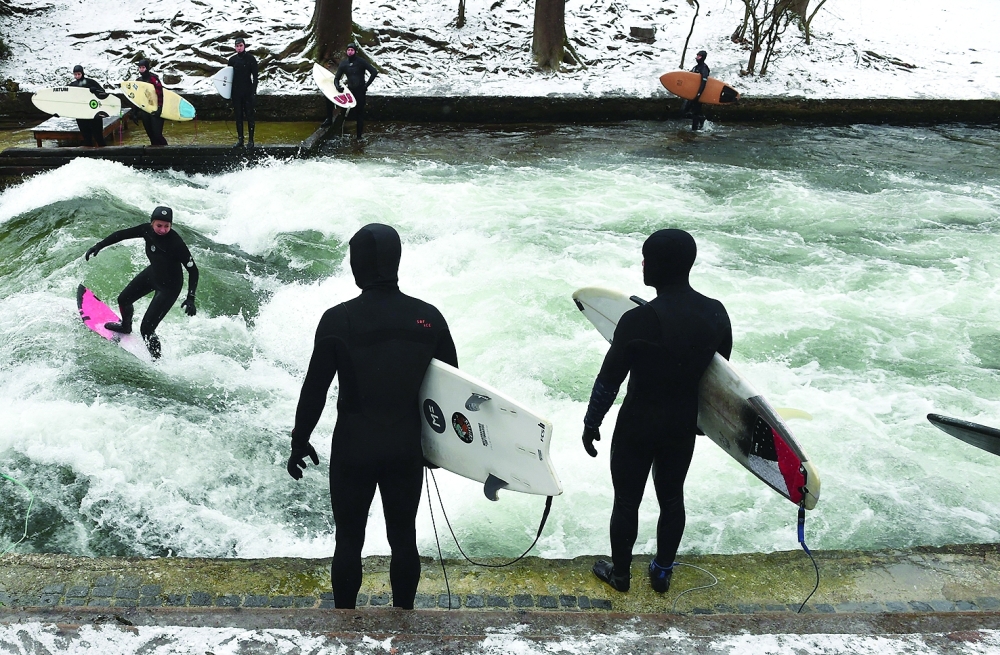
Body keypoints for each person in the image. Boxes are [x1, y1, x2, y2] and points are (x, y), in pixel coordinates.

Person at [286, 223, 458, 610]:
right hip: (404, 446)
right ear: (395, 261)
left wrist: (300, 439)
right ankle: (404, 620)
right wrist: (441, 450)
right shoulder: (428, 318)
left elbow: (315, 388)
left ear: (358, 264)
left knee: (349, 539)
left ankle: (345, 623)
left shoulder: (338, 319)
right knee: (403, 537)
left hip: (354, 446)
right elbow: (449, 392)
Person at [581, 228, 732, 594]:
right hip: (681, 423)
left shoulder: (638, 320)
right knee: (672, 497)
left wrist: (591, 422)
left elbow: (608, 380)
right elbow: (719, 376)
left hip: (638, 423)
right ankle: (662, 572)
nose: (642, 264)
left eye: (646, 258)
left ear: (659, 266)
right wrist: (703, 423)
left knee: (627, 500)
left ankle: (620, 575)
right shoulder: (715, 313)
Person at [84, 206, 198, 359]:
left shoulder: (176, 243)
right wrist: (99, 245)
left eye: (167, 226)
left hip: (170, 287)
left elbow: (193, 270)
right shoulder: (146, 230)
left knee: (147, 329)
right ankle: (126, 326)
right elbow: (121, 235)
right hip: (154, 274)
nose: (163, 229)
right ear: (152, 223)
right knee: (123, 300)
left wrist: (190, 297)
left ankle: (157, 361)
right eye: (159, 225)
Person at [328, 43, 377, 140]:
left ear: (355, 51)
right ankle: (339, 134)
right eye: (348, 50)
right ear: (346, 51)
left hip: (360, 91)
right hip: (349, 91)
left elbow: (374, 72)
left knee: (359, 113)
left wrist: (366, 86)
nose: (350, 52)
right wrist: (338, 87)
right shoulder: (344, 64)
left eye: (352, 50)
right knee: (343, 112)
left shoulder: (361, 62)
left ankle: (359, 137)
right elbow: (336, 78)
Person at [228, 37, 259, 149]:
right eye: (237, 46)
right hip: (236, 93)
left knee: (250, 116)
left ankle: (251, 140)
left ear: (244, 46)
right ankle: (240, 139)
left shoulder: (251, 59)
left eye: (241, 45)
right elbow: (228, 78)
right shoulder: (232, 60)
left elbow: (255, 76)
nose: (239, 48)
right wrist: (228, 94)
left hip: (247, 91)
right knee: (238, 117)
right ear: (235, 47)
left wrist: (254, 92)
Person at [68, 65, 108, 147]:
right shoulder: (72, 85)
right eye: (75, 74)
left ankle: (104, 153)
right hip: (81, 114)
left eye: (79, 74)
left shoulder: (90, 82)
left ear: (82, 73)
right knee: (86, 136)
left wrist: (95, 90)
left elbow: (103, 92)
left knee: (98, 135)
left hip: (94, 112)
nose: (77, 76)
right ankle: (88, 155)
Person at [135, 59, 167, 146]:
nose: (141, 69)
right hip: (145, 110)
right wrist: (134, 112)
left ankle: (167, 152)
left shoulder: (153, 79)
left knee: (157, 135)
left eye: (143, 67)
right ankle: (154, 155)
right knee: (151, 135)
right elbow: (136, 97)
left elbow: (160, 94)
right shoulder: (138, 81)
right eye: (140, 68)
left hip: (156, 109)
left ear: (147, 68)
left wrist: (160, 108)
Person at [682, 50, 710, 131]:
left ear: (703, 58)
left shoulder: (704, 68)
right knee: (684, 111)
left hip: (699, 94)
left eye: (699, 56)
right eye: (697, 56)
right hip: (692, 94)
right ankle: (702, 120)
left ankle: (695, 130)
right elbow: (689, 78)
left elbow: (703, 83)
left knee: (695, 113)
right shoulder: (695, 67)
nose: (697, 58)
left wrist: (698, 94)